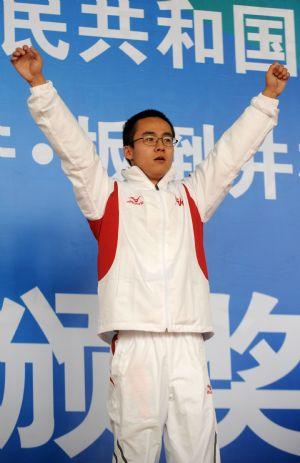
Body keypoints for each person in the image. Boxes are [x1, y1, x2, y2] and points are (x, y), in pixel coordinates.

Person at [11, 45, 289, 463]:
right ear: (128, 150)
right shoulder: (107, 196)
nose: (160, 146)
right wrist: (38, 85)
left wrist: (267, 100)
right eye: (149, 139)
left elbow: (230, 156)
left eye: (167, 139)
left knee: (196, 447)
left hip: (187, 340)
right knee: (137, 446)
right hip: (135, 339)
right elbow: (72, 149)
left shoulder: (192, 196)